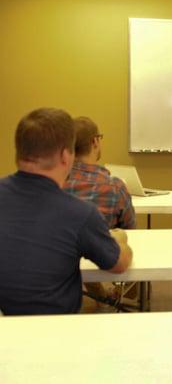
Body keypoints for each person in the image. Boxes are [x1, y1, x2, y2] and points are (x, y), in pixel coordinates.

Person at [0, 108, 133, 315]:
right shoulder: (80, 214)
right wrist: (120, 239)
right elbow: (119, 264)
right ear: (65, 155)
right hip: (58, 334)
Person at [63, 116, 136, 306]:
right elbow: (131, 229)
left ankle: (99, 297)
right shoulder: (114, 187)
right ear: (95, 141)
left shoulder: (54, 184)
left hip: (61, 264)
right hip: (103, 258)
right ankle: (125, 298)